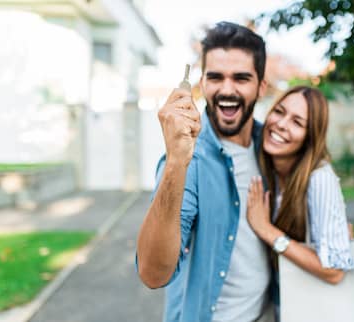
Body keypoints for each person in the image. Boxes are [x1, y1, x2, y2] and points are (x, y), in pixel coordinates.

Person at [136, 21, 274, 322]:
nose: (227, 90)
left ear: (261, 87)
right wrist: (176, 162)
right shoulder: (189, 162)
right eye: (215, 77)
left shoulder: (273, 148)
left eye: (241, 78)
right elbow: (152, 273)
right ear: (202, 83)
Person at [246, 86, 354, 317]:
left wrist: (267, 230)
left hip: (313, 309)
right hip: (282, 303)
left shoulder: (319, 178)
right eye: (279, 111)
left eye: (297, 122)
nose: (282, 124)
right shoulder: (270, 169)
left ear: (310, 137)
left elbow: (335, 271)